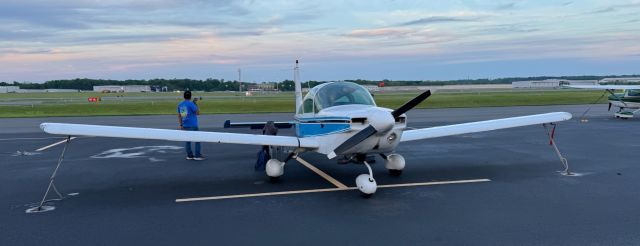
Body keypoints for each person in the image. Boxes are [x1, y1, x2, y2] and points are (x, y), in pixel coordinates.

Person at [177, 90, 204, 160]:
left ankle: (189, 155)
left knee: (187, 141)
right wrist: (195, 104)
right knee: (197, 140)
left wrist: (180, 125)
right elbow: (198, 113)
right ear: (190, 96)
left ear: (184, 96)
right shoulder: (191, 104)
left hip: (185, 124)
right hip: (193, 125)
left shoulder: (180, 104)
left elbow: (181, 116)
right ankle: (197, 155)